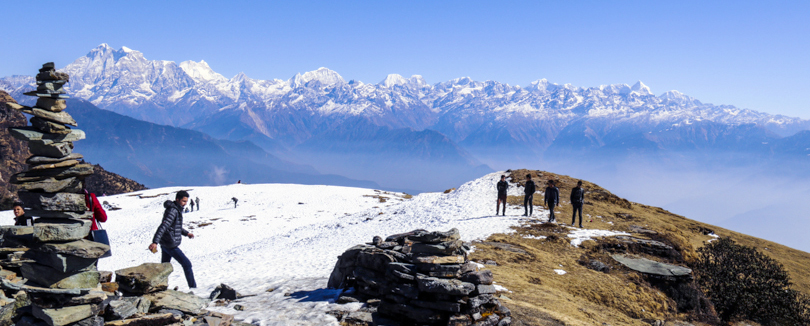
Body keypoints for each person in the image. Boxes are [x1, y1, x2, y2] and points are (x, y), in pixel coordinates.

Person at [149, 191, 196, 288]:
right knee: (187, 264)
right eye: (183, 201)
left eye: (186, 202)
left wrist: (187, 233)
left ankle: (160, 287)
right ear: (177, 199)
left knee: (164, 268)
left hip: (165, 243)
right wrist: (154, 242)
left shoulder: (176, 209)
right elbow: (164, 226)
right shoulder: (173, 211)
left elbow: (175, 227)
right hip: (170, 244)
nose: (185, 204)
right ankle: (193, 288)